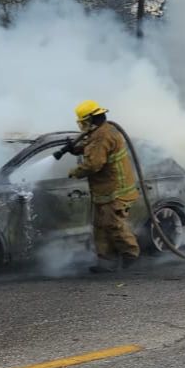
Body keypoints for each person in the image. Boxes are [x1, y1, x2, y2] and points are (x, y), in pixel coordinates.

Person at [64, 100, 141, 273]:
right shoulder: (101, 131)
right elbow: (92, 148)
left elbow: (94, 164)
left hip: (115, 190)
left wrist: (75, 172)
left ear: (90, 119)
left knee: (113, 224)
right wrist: (74, 149)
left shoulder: (103, 135)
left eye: (83, 121)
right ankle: (106, 262)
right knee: (100, 227)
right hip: (104, 189)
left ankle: (130, 255)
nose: (82, 125)